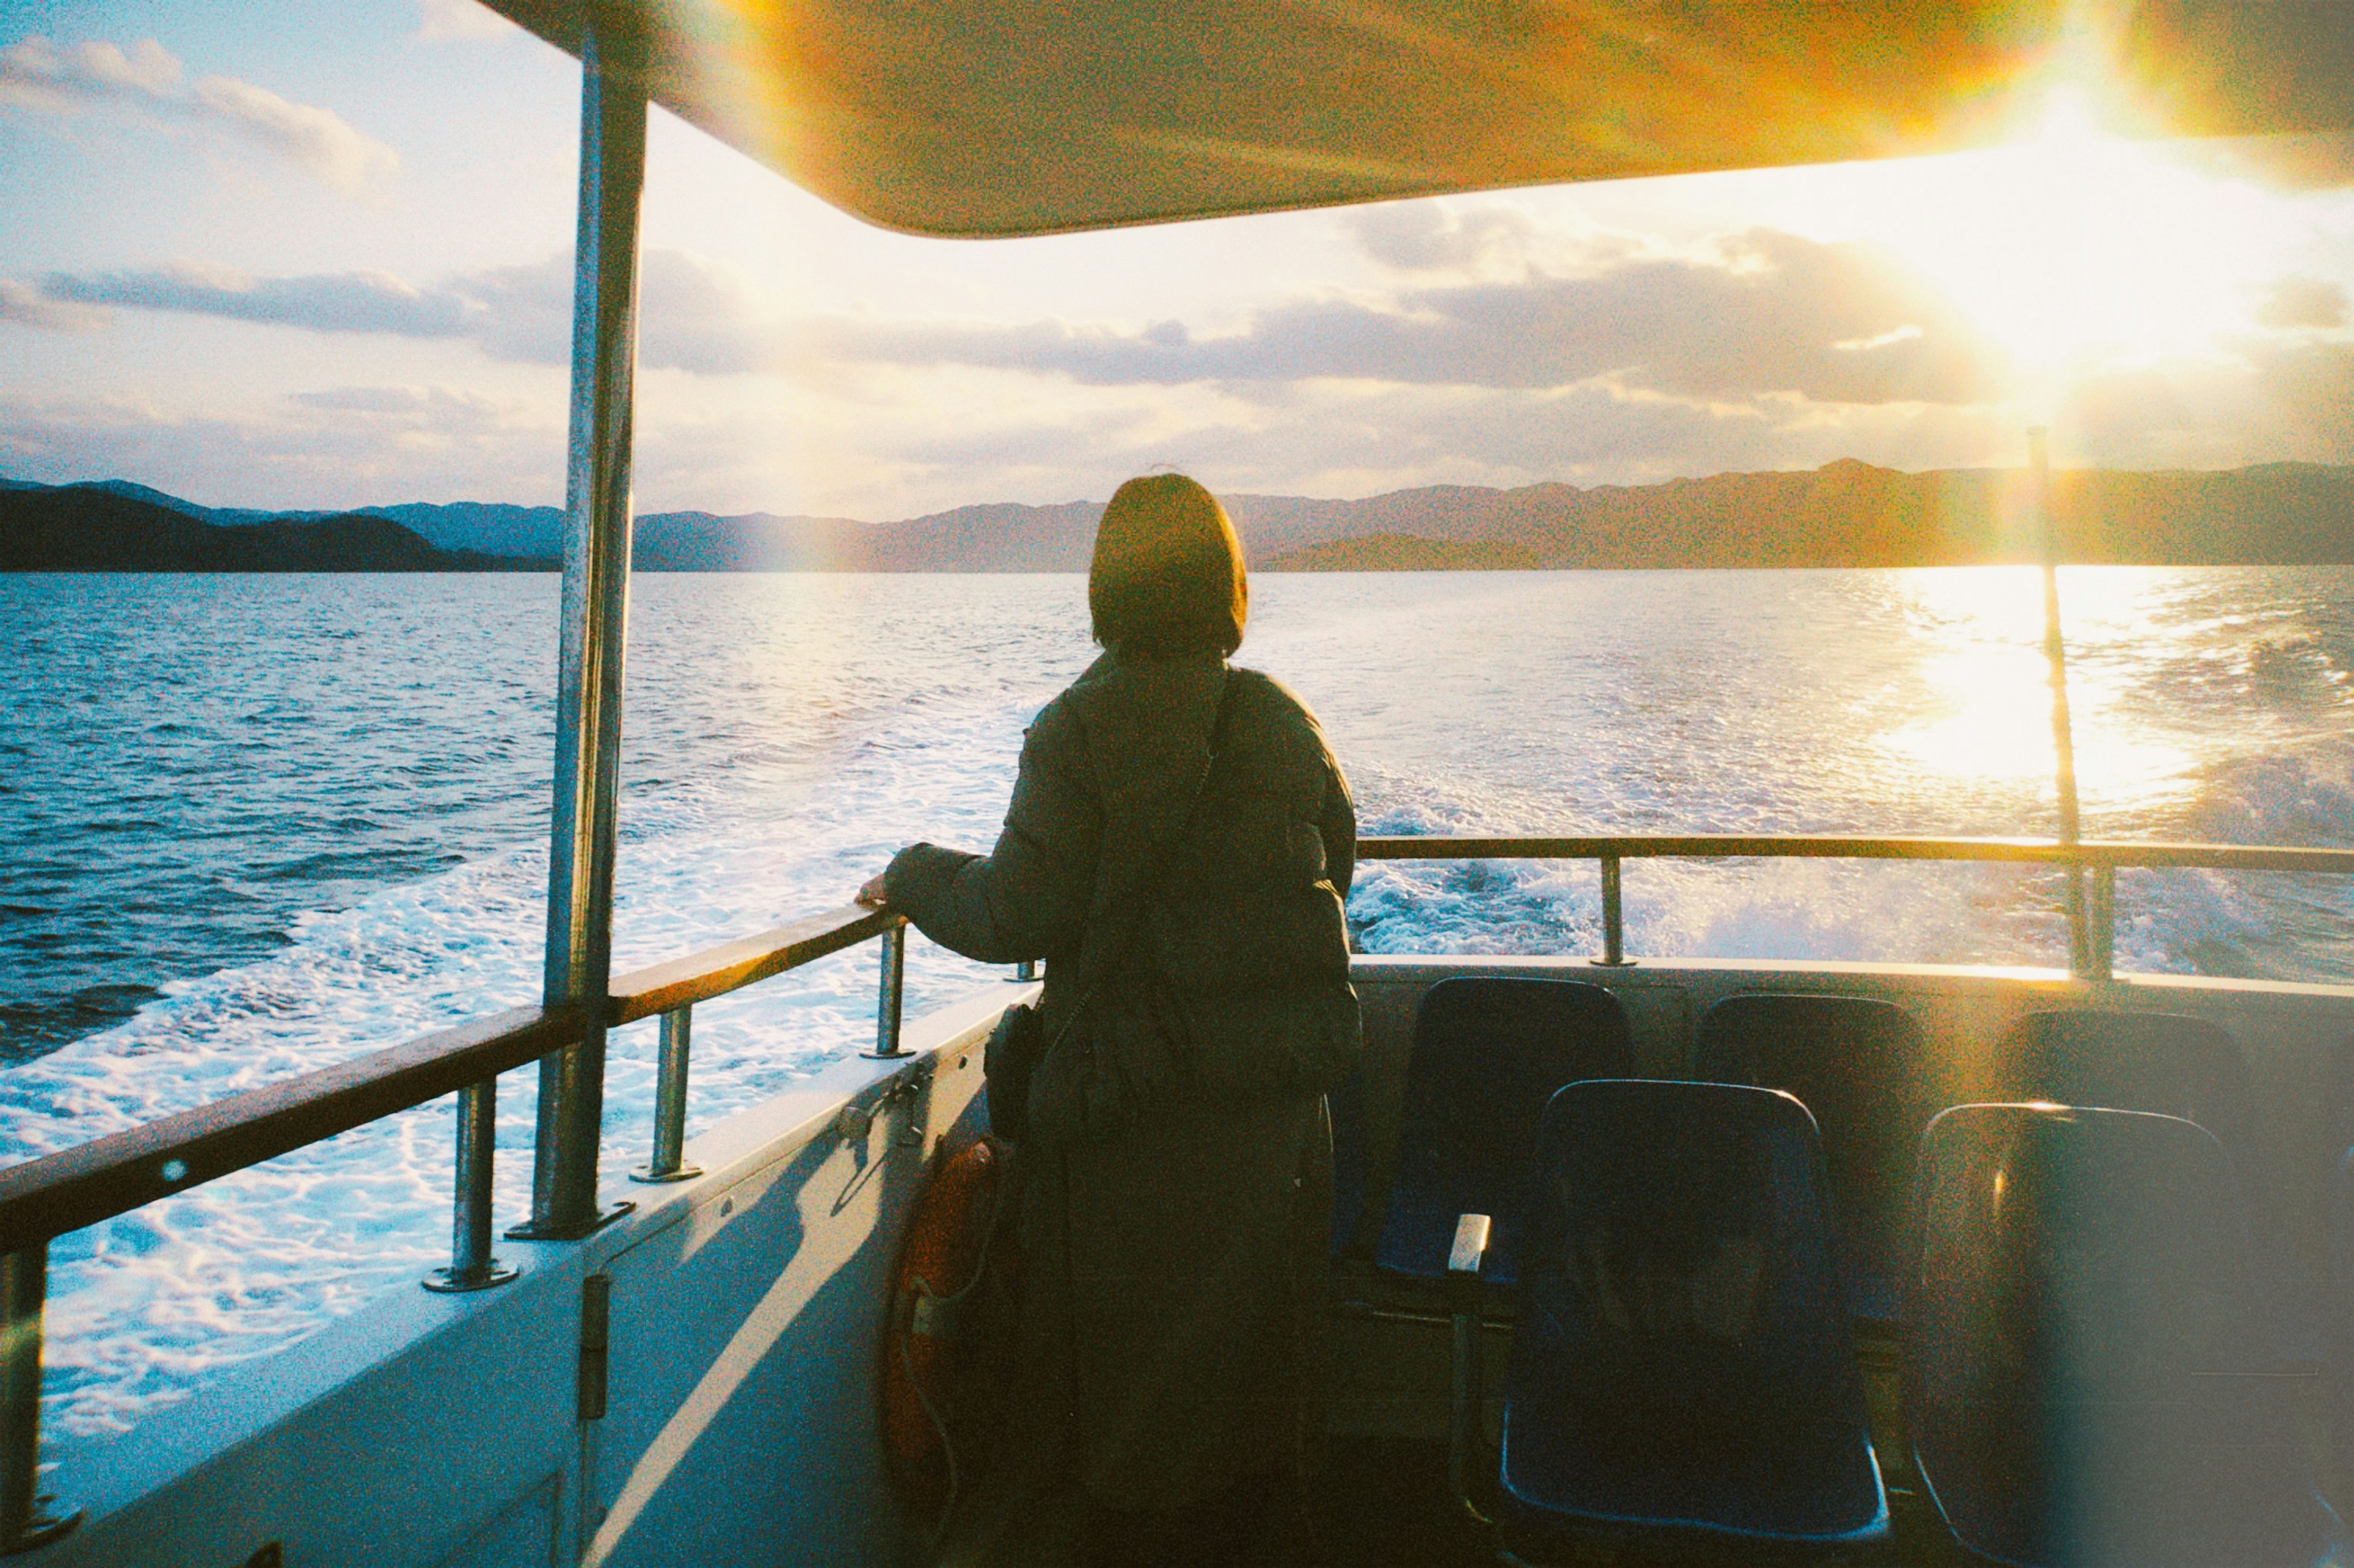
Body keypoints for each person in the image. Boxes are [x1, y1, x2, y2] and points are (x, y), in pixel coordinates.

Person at [857, 473, 1360, 1567]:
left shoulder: (1078, 731)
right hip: (1275, 1118)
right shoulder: (1284, 721)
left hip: (1137, 1126)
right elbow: (1339, 866)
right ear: (1227, 582)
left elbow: (1011, 910)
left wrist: (912, 873)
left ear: (1106, 586)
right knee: (1254, 1386)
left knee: (1133, 1414)